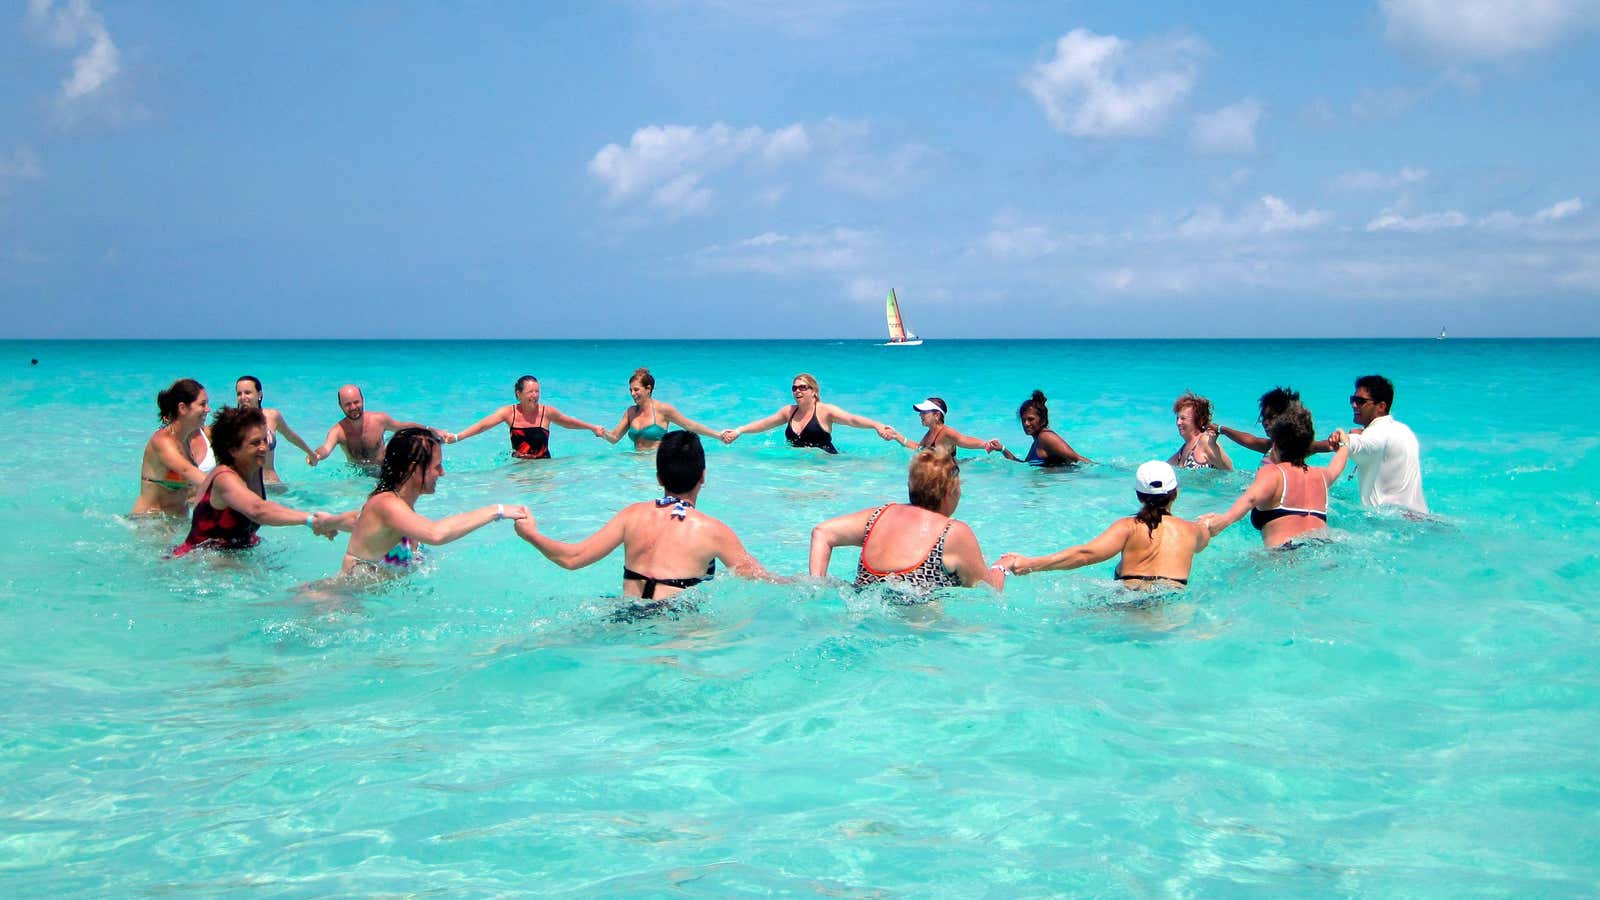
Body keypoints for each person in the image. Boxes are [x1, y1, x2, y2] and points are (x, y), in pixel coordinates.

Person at [514, 432, 769, 603]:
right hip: (676, 629)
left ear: (659, 477)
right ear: (703, 475)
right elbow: (761, 579)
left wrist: (531, 535)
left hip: (625, 615)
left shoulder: (632, 515)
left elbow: (572, 558)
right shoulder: (713, 531)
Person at [339, 428, 529, 575]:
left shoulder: (400, 510)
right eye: (437, 466)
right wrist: (498, 510)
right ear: (414, 469)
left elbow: (356, 519)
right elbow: (435, 534)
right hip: (343, 603)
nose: (442, 473)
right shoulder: (386, 503)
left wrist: (321, 522)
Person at [809, 450, 1005, 592]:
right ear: (949, 492)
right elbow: (988, 591)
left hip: (862, 607)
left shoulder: (879, 515)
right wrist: (1003, 566)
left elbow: (822, 532)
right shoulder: (953, 532)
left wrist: (817, 587)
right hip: (916, 629)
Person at [171, 406, 351, 556]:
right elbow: (258, 510)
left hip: (236, 553)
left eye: (265, 440)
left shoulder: (254, 469)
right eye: (255, 443)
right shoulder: (224, 478)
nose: (264, 447)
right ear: (233, 450)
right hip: (200, 559)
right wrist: (311, 520)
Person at [998, 461, 1209, 588]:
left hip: (1129, 598)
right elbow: (1225, 520)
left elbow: (1085, 554)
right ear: (1176, 493)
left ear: (1139, 496)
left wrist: (1028, 563)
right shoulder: (1193, 530)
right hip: (1172, 604)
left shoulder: (1129, 526)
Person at [1198, 405, 1350, 548]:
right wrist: (1344, 443)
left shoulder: (1272, 472)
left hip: (1286, 555)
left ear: (1275, 446)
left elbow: (1250, 499)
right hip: (1325, 548)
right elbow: (1338, 465)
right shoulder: (1322, 475)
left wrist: (1223, 521)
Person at [721, 373, 898, 454]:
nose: (797, 391)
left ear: (813, 391)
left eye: (802, 387)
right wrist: (739, 430)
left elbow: (852, 419)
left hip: (825, 465)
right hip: (796, 465)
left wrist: (877, 425)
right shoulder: (789, 411)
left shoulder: (825, 411)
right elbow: (764, 424)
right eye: (794, 388)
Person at [1329, 374, 1427, 513]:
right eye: (1353, 400)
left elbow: (1358, 443)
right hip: (1419, 516)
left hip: (1388, 522)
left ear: (1381, 406)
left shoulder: (1374, 437)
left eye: (1360, 401)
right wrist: (1363, 432)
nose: (1353, 405)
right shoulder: (1403, 430)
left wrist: (1337, 440)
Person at [446, 375, 606, 459]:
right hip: (518, 466)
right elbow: (482, 426)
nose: (535, 395)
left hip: (543, 467)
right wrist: (457, 437)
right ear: (518, 394)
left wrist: (592, 428)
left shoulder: (546, 412)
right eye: (531, 392)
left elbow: (569, 422)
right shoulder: (509, 413)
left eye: (537, 391)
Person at [133, 378, 213, 516]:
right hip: (151, 522)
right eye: (202, 404)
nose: (208, 409)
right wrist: (230, 492)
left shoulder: (187, 439)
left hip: (179, 521)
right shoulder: (162, 441)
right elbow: (186, 470)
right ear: (182, 408)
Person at [309, 385, 437, 469]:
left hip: (384, 469)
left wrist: (432, 430)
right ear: (340, 406)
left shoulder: (379, 420)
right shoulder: (338, 431)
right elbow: (325, 448)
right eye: (348, 404)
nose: (353, 407)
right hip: (358, 476)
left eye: (356, 402)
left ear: (362, 400)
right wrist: (316, 455)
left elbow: (404, 427)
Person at [603, 368, 722, 451]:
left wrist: (718, 435)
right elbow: (614, 438)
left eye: (636, 389)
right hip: (636, 463)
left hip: (656, 464)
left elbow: (690, 426)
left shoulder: (663, 409)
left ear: (648, 388)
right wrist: (601, 432)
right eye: (630, 390)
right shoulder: (631, 412)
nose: (632, 394)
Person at [1217, 386, 1334, 461]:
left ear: (1288, 418)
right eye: (1263, 418)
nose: (1265, 422)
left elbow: (1326, 445)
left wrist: (1341, 439)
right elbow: (1250, 440)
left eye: (1271, 417)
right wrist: (1220, 429)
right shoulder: (1273, 446)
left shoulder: (1297, 447)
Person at [234, 376, 314, 485]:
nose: (243, 397)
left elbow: (290, 436)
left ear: (259, 394)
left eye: (247, 392)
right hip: (245, 483)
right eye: (239, 394)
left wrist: (310, 453)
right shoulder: (233, 421)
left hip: (271, 481)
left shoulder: (272, 416)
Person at [1000, 390, 1090, 466]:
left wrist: (1099, 474)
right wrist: (1002, 449)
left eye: (1031, 419)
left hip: (1065, 480)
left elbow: (1077, 458)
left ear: (1043, 420)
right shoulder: (1037, 441)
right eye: (1023, 420)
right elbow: (1024, 464)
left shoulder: (1046, 437)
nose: (1026, 423)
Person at [894, 397, 1003, 456]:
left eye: (924, 412)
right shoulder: (930, 433)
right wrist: (898, 437)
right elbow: (918, 448)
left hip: (953, 474)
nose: (920, 415)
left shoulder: (946, 432)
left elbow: (964, 440)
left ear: (936, 415)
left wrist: (985, 444)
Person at [1169, 391, 1232, 471]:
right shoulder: (1184, 448)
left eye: (1183, 418)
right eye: (1177, 418)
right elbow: (1163, 467)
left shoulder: (1206, 442)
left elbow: (1230, 471)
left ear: (1199, 420)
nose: (1178, 423)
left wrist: (1213, 446)